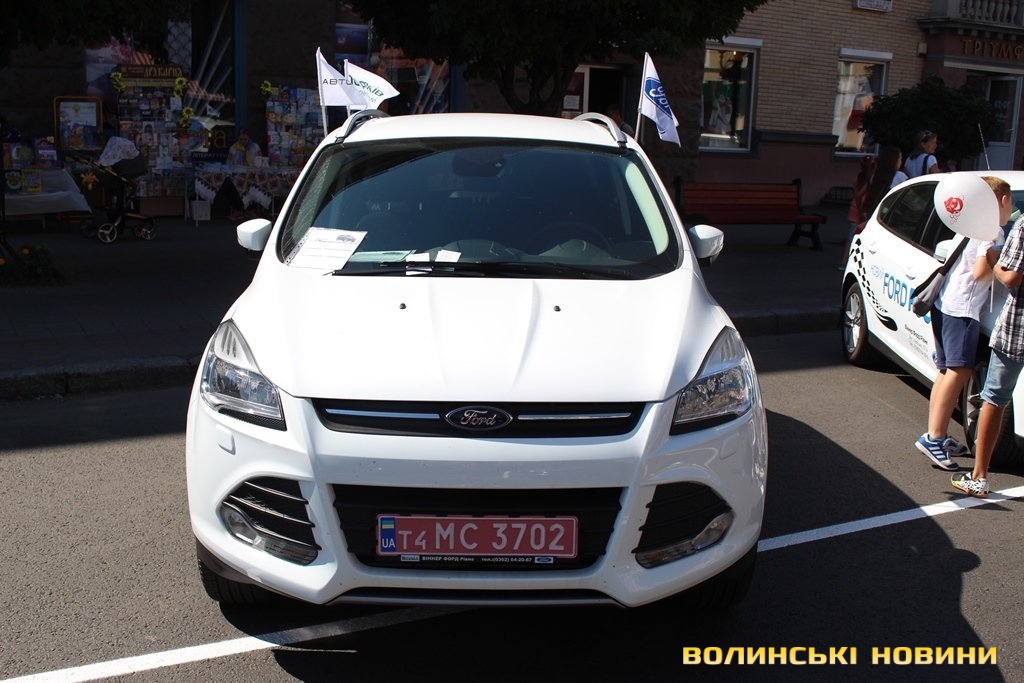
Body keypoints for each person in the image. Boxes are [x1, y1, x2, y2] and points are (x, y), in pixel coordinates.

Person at [917, 176, 1011, 472]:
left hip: (946, 304)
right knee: (959, 371)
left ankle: (936, 433)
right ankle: (934, 438)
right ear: (1002, 201)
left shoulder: (970, 223)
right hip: (963, 309)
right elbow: (981, 272)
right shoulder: (992, 230)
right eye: (1010, 203)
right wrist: (1002, 264)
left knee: (946, 370)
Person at [951, 200, 1024, 497]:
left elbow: (1012, 277)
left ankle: (979, 477)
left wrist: (997, 264)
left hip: (1018, 328)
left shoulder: (1022, 225)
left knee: (994, 398)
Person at [840, 155, 875, 268]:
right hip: (862, 209)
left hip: (854, 208)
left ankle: (843, 261)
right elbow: (860, 195)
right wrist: (862, 211)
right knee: (862, 237)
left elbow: (856, 194)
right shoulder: (870, 180)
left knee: (850, 237)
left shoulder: (858, 178)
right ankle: (855, 262)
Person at [861, 145, 908, 222]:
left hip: (874, 213)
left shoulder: (874, 176)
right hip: (890, 216)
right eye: (900, 158)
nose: (901, 161)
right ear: (894, 160)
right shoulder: (900, 176)